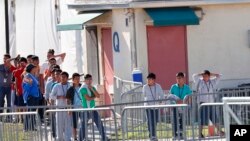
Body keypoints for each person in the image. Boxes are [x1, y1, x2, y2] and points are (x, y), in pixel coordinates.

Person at [192, 70, 224, 137]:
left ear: (209, 76)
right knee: (202, 119)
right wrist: (201, 73)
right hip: (203, 104)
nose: (205, 77)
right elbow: (194, 76)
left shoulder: (212, 82)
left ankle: (219, 131)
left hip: (211, 103)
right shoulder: (199, 81)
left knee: (214, 118)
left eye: (206, 75)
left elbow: (220, 76)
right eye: (204, 75)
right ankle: (200, 133)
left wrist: (211, 73)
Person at [79, 74, 109, 141]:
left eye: (90, 79)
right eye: (88, 79)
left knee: (99, 123)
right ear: (85, 80)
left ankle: (104, 138)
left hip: (93, 109)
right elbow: (88, 99)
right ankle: (80, 139)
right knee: (83, 126)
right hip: (85, 110)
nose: (89, 81)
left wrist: (92, 89)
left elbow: (98, 95)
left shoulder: (92, 87)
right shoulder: (82, 88)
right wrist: (94, 96)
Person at [169, 72, 192, 140]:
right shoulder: (173, 87)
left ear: (183, 78)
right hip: (175, 107)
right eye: (177, 78)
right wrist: (175, 102)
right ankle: (175, 135)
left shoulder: (187, 87)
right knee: (175, 121)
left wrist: (184, 102)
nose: (178, 79)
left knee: (182, 121)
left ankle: (181, 134)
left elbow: (189, 96)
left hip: (183, 107)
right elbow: (170, 96)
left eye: (180, 78)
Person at [50, 71, 72, 141]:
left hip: (68, 108)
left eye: (64, 77)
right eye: (61, 77)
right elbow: (51, 96)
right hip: (59, 108)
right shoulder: (57, 86)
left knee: (68, 125)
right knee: (59, 125)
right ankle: (60, 139)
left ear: (67, 78)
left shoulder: (70, 86)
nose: (62, 78)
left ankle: (67, 139)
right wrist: (58, 97)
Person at [143, 73, 164, 141]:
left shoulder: (158, 86)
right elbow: (144, 96)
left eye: (150, 79)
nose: (148, 81)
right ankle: (152, 135)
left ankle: (153, 134)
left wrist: (161, 102)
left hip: (156, 106)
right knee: (150, 121)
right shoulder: (145, 87)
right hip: (148, 107)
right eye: (147, 79)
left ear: (154, 80)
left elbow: (162, 95)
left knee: (155, 121)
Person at [22, 64, 41, 131]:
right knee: (29, 112)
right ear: (31, 69)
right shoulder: (27, 76)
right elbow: (24, 86)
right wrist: (29, 84)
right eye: (34, 68)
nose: (35, 69)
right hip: (30, 96)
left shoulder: (33, 76)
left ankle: (32, 127)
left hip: (35, 96)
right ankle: (26, 127)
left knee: (33, 112)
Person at [66, 73, 82, 141]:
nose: (78, 80)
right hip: (74, 108)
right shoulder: (70, 89)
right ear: (73, 80)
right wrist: (69, 109)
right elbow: (68, 100)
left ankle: (82, 137)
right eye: (76, 79)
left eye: (78, 78)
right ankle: (75, 138)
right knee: (74, 124)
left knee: (83, 123)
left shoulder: (82, 86)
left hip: (82, 108)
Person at [0, 54, 16, 121]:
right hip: (1, 87)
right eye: (4, 58)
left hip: (9, 87)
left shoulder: (12, 68)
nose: (5, 60)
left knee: (9, 103)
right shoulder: (0, 66)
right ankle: (0, 117)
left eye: (6, 59)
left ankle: (8, 117)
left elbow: (16, 74)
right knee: (0, 101)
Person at [13, 57, 28, 123]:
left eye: (23, 62)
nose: (22, 64)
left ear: (26, 63)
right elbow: (15, 82)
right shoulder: (17, 71)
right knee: (20, 105)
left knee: (26, 106)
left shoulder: (28, 71)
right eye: (20, 62)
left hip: (27, 91)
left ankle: (25, 118)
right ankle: (21, 118)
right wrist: (16, 90)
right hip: (20, 90)